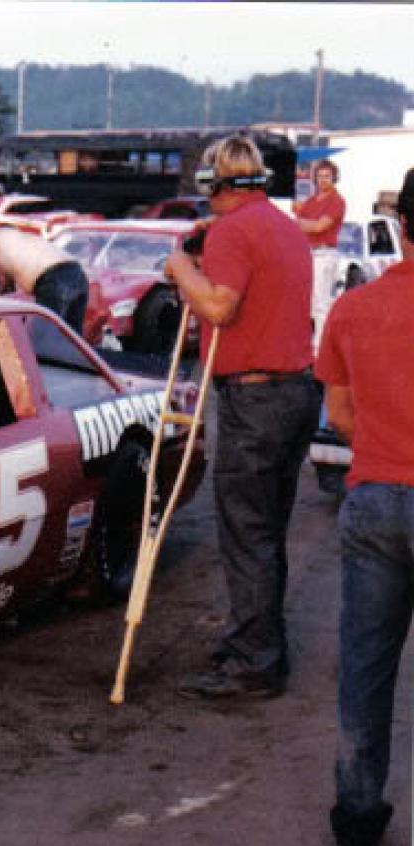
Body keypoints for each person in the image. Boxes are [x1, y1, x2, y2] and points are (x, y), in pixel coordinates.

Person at [163, 134, 320, 700]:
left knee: (246, 533)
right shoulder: (282, 226)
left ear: (214, 182)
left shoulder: (233, 231)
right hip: (294, 392)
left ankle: (254, 661)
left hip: (255, 399)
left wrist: (181, 268)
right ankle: (260, 645)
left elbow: (218, 307)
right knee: (266, 529)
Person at [316, 167, 414, 846]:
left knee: (366, 666)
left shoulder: (354, 308)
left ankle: (356, 818)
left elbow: (342, 413)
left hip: (376, 495)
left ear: (402, 226)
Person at [0, 227, 89, 335]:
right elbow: (5, 285)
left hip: (54, 278)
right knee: (72, 338)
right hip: (77, 273)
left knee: (41, 340)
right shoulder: (11, 238)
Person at [293, 158, 347, 352]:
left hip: (324, 254)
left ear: (334, 178)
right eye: (320, 176)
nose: (323, 180)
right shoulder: (311, 201)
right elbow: (300, 219)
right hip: (308, 253)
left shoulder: (337, 201)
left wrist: (300, 223)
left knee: (320, 302)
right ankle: (307, 345)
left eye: (327, 176)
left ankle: (320, 349)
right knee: (305, 301)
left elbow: (319, 226)